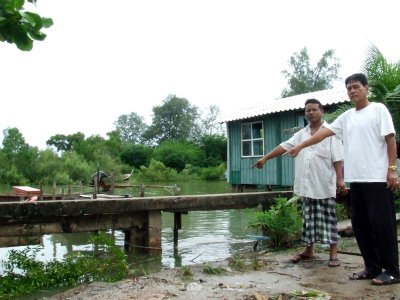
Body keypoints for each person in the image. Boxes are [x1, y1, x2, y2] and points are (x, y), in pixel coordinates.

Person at [286, 73, 399, 285]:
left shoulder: (378, 110)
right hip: (356, 180)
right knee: (361, 225)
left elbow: (390, 140)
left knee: (383, 225)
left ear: (366, 88)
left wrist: (392, 170)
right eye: (349, 88)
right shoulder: (347, 116)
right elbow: (323, 133)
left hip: (377, 178)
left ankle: (392, 270)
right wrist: (301, 145)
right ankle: (372, 267)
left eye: (356, 86)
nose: (352, 91)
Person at [253, 98, 345, 267]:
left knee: (329, 219)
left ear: (322, 111)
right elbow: (284, 146)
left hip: (324, 183)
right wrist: (265, 158)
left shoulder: (331, 132)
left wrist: (340, 180)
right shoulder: (302, 134)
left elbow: (337, 158)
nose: (310, 113)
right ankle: (309, 251)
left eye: (314, 109)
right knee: (308, 219)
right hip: (307, 184)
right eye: (307, 110)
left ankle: (333, 254)